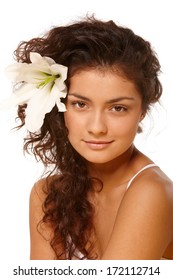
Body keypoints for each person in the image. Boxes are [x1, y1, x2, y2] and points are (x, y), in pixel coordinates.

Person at [4, 16, 173, 260]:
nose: (97, 127)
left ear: (142, 111)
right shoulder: (48, 194)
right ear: (59, 106)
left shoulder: (151, 192)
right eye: (80, 104)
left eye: (118, 108)